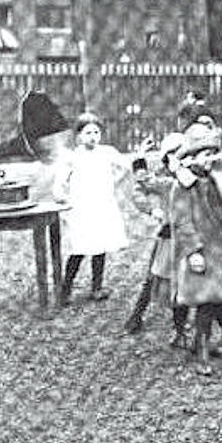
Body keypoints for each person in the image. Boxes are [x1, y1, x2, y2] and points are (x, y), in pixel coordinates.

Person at [55, 113, 149, 305]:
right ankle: (65, 290)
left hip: (102, 205)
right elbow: (60, 182)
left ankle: (97, 287)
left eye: (96, 132)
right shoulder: (73, 157)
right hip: (82, 207)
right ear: (79, 135)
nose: (93, 136)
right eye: (88, 132)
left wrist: (114, 181)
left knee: (100, 246)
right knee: (80, 247)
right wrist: (63, 199)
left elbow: (125, 166)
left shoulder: (107, 152)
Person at [169, 123, 222, 376]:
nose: (209, 159)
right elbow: (182, 220)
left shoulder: (208, 179)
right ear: (191, 157)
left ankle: (204, 344)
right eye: (204, 154)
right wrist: (193, 251)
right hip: (201, 250)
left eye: (211, 153)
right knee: (204, 302)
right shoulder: (184, 185)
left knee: (212, 300)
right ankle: (202, 351)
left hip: (217, 247)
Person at [123, 132, 191, 350]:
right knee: (156, 278)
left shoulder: (189, 177)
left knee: (189, 284)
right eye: (173, 154)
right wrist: (152, 209)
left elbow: (143, 181)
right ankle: (140, 316)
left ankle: (185, 331)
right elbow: (140, 188)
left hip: (192, 236)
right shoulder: (166, 180)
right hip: (169, 237)